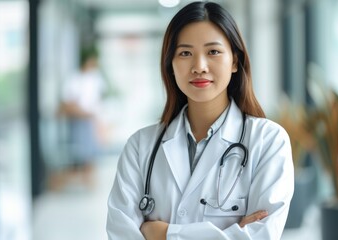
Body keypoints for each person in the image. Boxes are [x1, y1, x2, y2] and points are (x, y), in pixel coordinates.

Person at [106, 1, 294, 239]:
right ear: (171, 65)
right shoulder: (140, 147)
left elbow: (262, 234)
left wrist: (164, 234)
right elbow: (120, 232)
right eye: (185, 53)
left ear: (235, 61)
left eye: (213, 52)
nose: (199, 66)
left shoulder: (268, 141)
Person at [57, 45, 106, 190]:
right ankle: (77, 177)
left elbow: (98, 101)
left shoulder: (96, 78)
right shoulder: (74, 79)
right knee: (80, 152)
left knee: (91, 152)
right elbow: (66, 104)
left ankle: (88, 179)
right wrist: (84, 113)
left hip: (91, 119)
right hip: (79, 121)